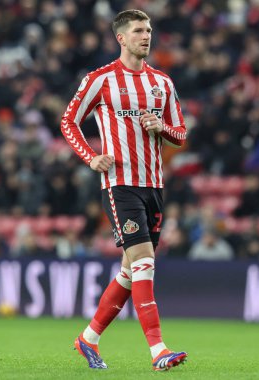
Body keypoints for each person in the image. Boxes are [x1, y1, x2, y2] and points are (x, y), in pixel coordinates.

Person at [61, 9, 187, 372]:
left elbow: (180, 134)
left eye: (148, 30)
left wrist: (160, 127)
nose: (146, 36)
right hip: (120, 184)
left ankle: (88, 338)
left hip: (154, 185)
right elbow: (69, 120)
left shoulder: (162, 82)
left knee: (131, 271)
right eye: (138, 31)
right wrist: (90, 157)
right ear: (121, 38)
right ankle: (158, 350)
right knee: (145, 261)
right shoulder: (100, 80)